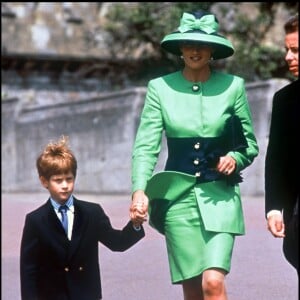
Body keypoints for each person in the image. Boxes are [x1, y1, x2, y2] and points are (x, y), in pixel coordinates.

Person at [129, 9, 259, 300]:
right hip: (178, 201)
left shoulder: (233, 87)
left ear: (212, 49)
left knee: (212, 283)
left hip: (221, 198)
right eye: (188, 43)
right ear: (180, 47)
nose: (195, 50)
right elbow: (146, 146)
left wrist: (235, 159)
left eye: (201, 44)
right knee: (193, 290)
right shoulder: (159, 88)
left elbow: (249, 144)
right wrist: (139, 190)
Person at [20, 135, 145, 300]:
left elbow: (117, 242)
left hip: (86, 294)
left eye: (69, 179)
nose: (65, 185)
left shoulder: (92, 213)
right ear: (44, 181)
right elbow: (29, 270)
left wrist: (135, 224)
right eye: (58, 180)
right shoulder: (35, 220)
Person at [265, 14, 299, 275]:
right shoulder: (285, 100)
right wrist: (275, 207)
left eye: (295, 50)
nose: (288, 57)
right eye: (287, 49)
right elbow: (276, 158)